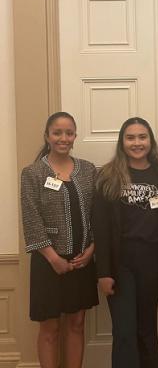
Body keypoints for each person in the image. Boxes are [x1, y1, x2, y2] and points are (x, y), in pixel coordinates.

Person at [20, 111, 99, 368]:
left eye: (69, 133)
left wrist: (92, 249)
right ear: (47, 136)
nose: (63, 138)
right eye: (57, 133)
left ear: (75, 136)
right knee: (50, 328)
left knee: (76, 325)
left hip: (82, 261)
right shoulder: (32, 173)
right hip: (48, 263)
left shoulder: (88, 170)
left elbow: (98, 214)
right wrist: (53, 258)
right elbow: (31, 219)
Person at [92, 117, 158, 368]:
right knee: (124, 331)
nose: (137, 143)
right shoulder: (108, 175)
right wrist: (103, 272)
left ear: (150, 141)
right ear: (122, 142)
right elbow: (100, 228)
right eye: (131, 137)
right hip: (120, 263)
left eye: (142, 137)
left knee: (146, 329)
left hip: (152, 263)